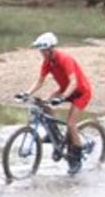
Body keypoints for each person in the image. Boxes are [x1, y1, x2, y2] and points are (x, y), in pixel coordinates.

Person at [19, 32, 94, 174]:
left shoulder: (65, 59)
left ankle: (76, 158)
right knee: (45, 105)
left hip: (81, 92)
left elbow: (74, 82)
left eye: (43, 50)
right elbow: (40, 81)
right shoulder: (47, 62)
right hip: (66, 90)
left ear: (51, 49)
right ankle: (54, 134)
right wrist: (27, 93)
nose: (41, 53)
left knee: (71, 124)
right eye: (40, 50)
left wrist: (62, 97)